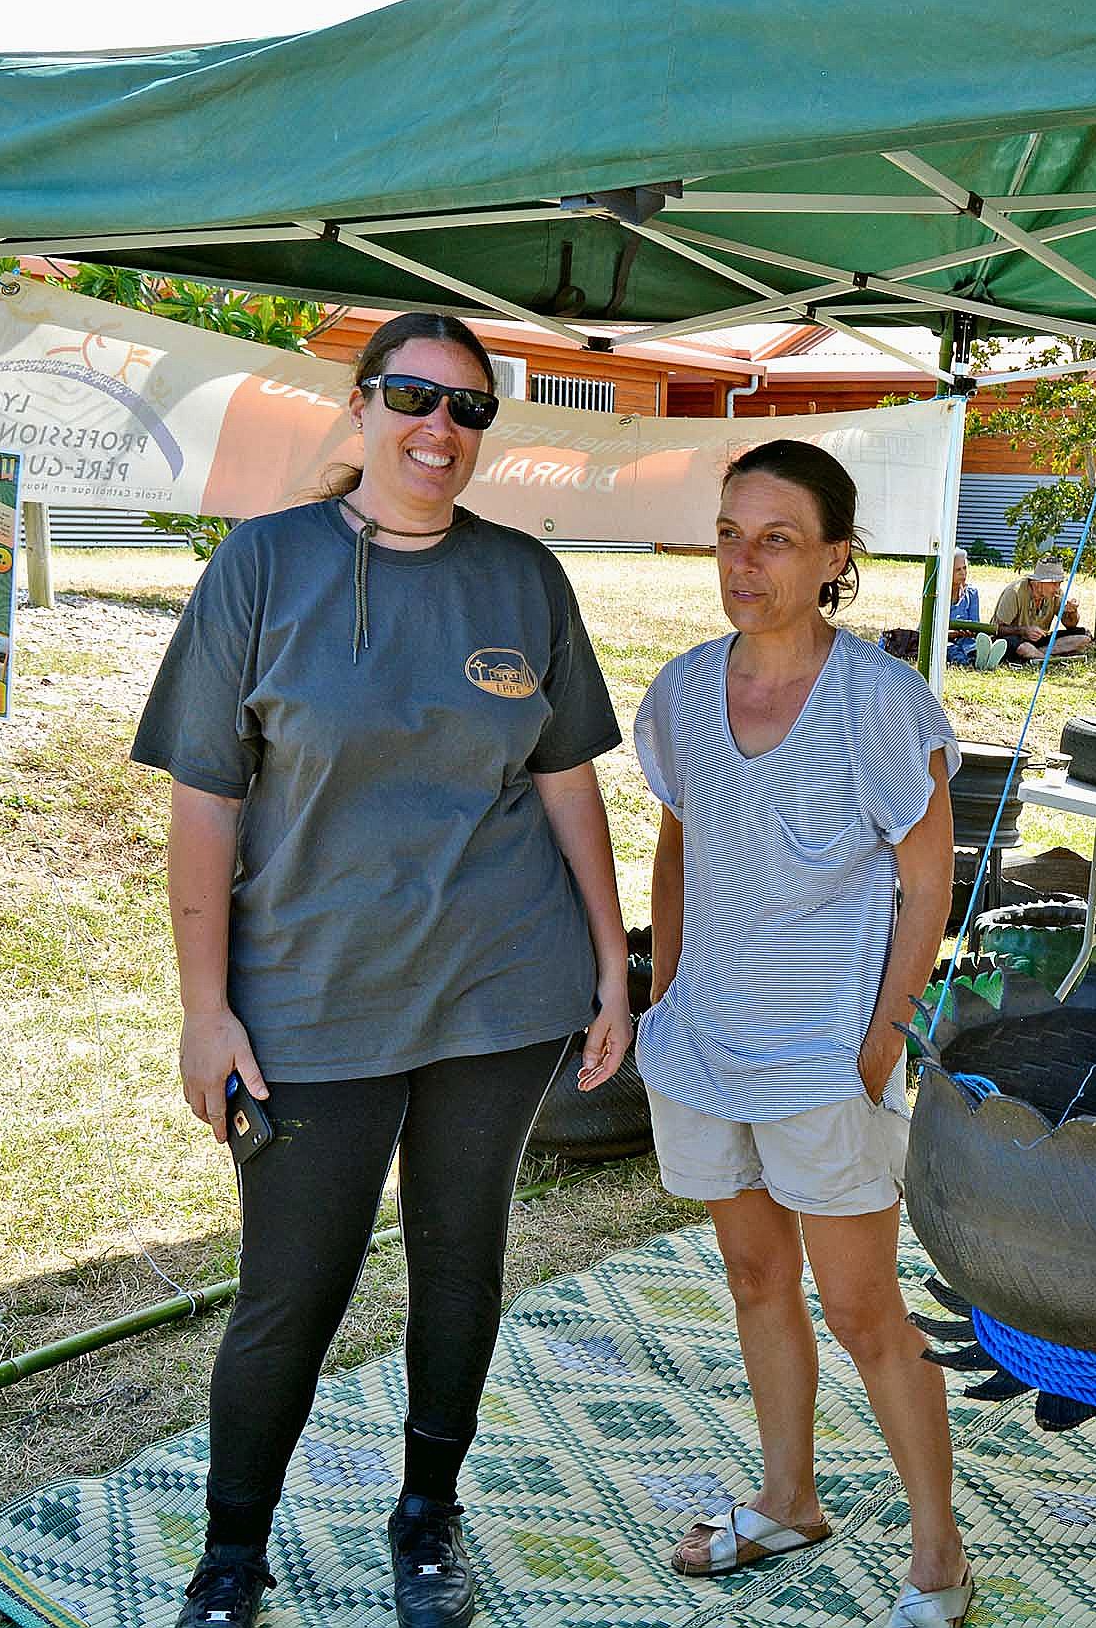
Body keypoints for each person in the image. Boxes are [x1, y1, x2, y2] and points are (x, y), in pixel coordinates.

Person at [132, 311, 634, 1628]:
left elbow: (566, 777)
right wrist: (204, 1010)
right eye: (415, 396)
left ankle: (427, 1517)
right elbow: (203, 800)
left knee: (461, 1256)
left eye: (468, 409)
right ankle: (231, 1554)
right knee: (295, 1285)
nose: (439, 429)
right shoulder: (262, 565)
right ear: (360, 408)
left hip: (499, 988)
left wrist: (613, 963)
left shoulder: (525, 578)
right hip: (314, 993)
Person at [634, 440, 973, 1628]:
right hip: (707, 1046)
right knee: (752, 1276)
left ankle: (939, 1554)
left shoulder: (882, 702)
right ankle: (790, 1498)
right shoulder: (681, 690)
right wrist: (665, 995)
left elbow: (928, 885)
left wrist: (880, 1043)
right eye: (730, 533)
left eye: (775, 539)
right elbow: (678, 842)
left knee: (867, 1310)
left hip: (825, 1056)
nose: (743, 561)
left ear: (836, 560)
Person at [991, 556, 1091, 662]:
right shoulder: (1015, 592)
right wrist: (1023, 631)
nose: (1057, 588)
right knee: (1018, 645)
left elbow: (1070, 625)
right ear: (1038, 582)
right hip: (1015, 639)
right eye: (1053, 583)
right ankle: (1046, 657)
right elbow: (996, 629)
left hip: (1039, 641)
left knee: (1083, 635)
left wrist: (1073, 611)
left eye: (1059, 583)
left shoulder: (1056, 594)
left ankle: (1035, 654)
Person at [944, 547, 982, 665]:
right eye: (958, 570)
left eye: (965, 568)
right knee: (953, 650)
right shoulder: (938, 594)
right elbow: (930, 630)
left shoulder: (972, 593)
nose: (963, 573)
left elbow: (976, 624)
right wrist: (954, 633)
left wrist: (970, 631)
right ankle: (970, 661)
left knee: (971, 645)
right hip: (944, 639)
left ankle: (979, 657)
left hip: (964, 638)